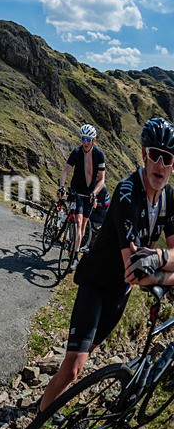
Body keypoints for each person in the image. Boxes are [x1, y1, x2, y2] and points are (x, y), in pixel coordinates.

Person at [37, 117, 174, 414]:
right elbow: (135, 270)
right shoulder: (127, 191)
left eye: (168, 158)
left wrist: (160, 259)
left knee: (86, 358)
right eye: (155, 155)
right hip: (97, 283)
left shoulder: (170, 198)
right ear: (143, 155)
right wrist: (167, 271)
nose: (160, 165)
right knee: (73, 367)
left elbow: (162, 259)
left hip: (119, 295)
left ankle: (48, 405)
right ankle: (39, 416)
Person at [58, 124, 106, 269]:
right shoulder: (77, 152)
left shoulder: (99, 155)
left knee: (83, 224)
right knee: (78, 222)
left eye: (88, 139)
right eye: (83, 138)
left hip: (90, 195)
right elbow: (65, 171)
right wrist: (61, 186)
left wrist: (94, 193)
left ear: (94, 140)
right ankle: (74, 256)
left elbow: (102, 179)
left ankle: (75, 250)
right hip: (76, 191)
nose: (85, 142)